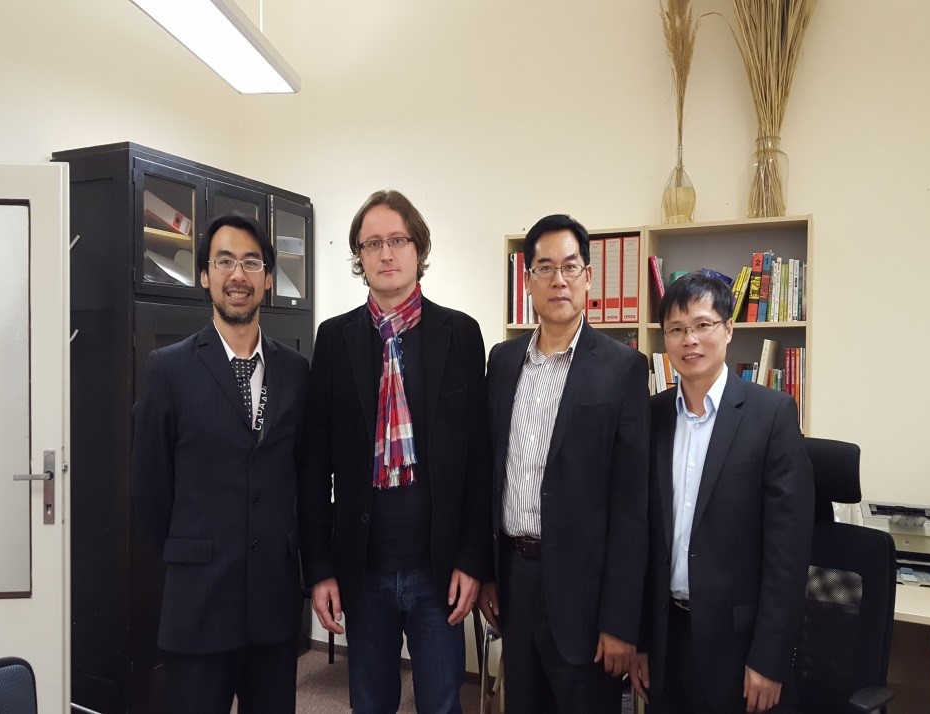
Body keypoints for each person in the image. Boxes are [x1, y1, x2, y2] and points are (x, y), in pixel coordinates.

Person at [297, 189, 491, 713]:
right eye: (372, 243)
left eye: (398, 240)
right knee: (370, 703)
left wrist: (472, 559)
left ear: (418, 247)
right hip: (363, 571)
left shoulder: (460, 334)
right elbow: (313, 466)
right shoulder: (334, 339)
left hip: (438, 570)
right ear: (359, 256)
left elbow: (479, 460)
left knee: (442, 704)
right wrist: (320, 569)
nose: (386, 253)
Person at [132, 212, 309, 714]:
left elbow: (302, 477)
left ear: (269, 278)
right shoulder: (169, 368)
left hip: (273, 606)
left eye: (251, 263)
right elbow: (150, 491)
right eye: (224, 261)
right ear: (204, 275)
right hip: (199, 604)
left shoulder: (296, 370)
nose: (238, 275)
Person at [478, 214, 650, 713]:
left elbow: (631, 505)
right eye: (545, 268)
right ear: (528, 279)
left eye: (571, 267)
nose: (559, 280)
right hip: (514, 579)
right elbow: (490, 474)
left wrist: (620, 621)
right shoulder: (502, 361)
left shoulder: (622, 367)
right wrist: (488, 573)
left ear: (588, 277)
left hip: (585, 595)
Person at [629, 271, 814, 713]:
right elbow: (641, 539)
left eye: (702, 325)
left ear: (728, 329)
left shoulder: (771, 415)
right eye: (676, 329)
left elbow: (787, 555)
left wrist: (769, 658)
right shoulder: (652, 416)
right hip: (666, 637)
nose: (689, 340)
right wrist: (641, 640)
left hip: (739, 646)